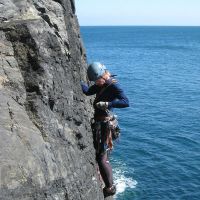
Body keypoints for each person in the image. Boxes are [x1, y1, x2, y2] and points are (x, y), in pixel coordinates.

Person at [81, 62, 129, 197]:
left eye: (97, 80)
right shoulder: (100, 84)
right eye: (95, 81)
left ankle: (110, 187)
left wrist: (109, 103)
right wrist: (79, 83)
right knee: (103, 156)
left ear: (103, 75)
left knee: (101, 158)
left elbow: (126, 102)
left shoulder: (113, 85)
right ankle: (107, 179)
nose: (96, 83)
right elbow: (87, 91)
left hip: (104, 125)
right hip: (99, 123)